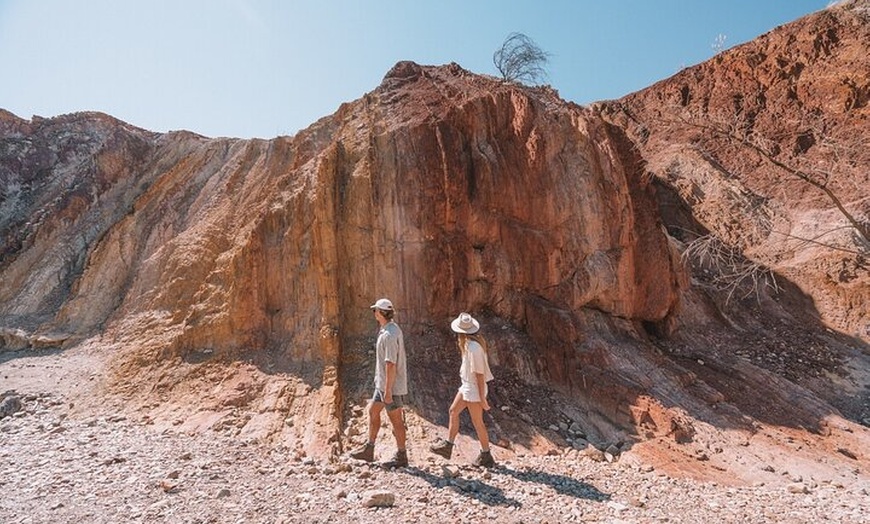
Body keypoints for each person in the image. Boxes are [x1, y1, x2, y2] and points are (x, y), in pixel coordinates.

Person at [349, 298, 409, 468]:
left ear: (381, 313)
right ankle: (369, 448)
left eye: (375, 310)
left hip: (390, 386)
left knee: (396, 420)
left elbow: (391, 364)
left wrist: (388, 391)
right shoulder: (388, 329)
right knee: (373, 411)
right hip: (382, 384)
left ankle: (402, 455)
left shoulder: (390, 335)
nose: (373, 313)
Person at [429, 312, 496, 467]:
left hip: (473, 389)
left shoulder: (473, 348)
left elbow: (479, 375)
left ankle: (486, 455)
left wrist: (482, 398)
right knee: (453, 411)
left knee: (477, 422)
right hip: (468, 386)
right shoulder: (470, 345)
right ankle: (448, 446)